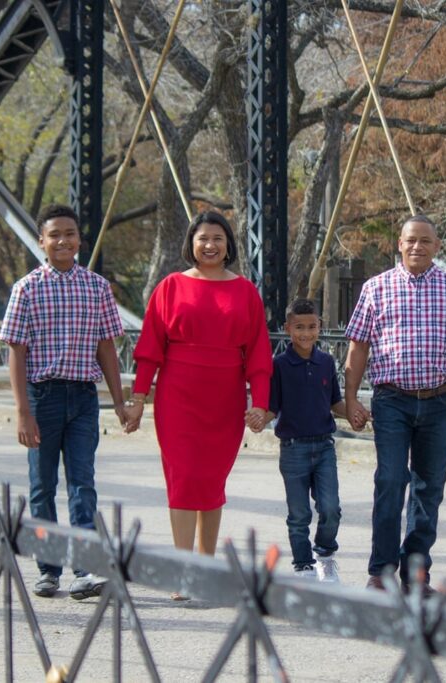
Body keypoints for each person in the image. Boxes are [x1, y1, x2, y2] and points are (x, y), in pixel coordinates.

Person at [343, 214, 446, 594]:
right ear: (398, 244)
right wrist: (350, 398)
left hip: (438, 402)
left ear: (437, 247)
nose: (417, 247)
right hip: (392, 400)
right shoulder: (375, 289)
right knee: (390, 480)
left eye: (425, 241)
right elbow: (358, 347)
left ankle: (415, 575)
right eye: (410, 240)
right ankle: (381, 572)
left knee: (429, 489)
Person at [123, 211, 272, 599]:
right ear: (191, 243)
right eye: (203, 237)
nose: (210, 245)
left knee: (211, 481)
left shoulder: (246, 292)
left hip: (225, 397)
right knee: (183, 479)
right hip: (179, 397)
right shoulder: (169, 287)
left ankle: (206, 570)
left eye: (218, 238)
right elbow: (150, 350)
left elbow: (257, 354)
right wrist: (138, 399)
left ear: (229, 246)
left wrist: (261, 403)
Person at [0, 203, 129, 600]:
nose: (63, 240)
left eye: (69, 233)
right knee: (42, 486)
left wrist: (119, 402)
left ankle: (84, 571)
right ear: (42, 241)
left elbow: (107, 348)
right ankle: (48, 569)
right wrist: (23, 411)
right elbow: (16, 352)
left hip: (84, 399)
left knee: (82, 485)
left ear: (79, 240)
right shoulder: (27, 288)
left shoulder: (96, 287)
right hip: (43, 397)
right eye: (54, 234)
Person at [261, 298, 346, 582]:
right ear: (287, 329)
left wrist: (357, 413)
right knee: (298, 514)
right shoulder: (280, 365)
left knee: (331, 507)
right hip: (293, 449)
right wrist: (260, 418)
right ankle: (303, 564)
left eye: (311, 327)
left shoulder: (326, 362)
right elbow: (272, 407)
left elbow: (336, 403)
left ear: (320, 327)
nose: (306, 333)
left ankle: (324, 554)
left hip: (324, 446)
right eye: (299, 327)